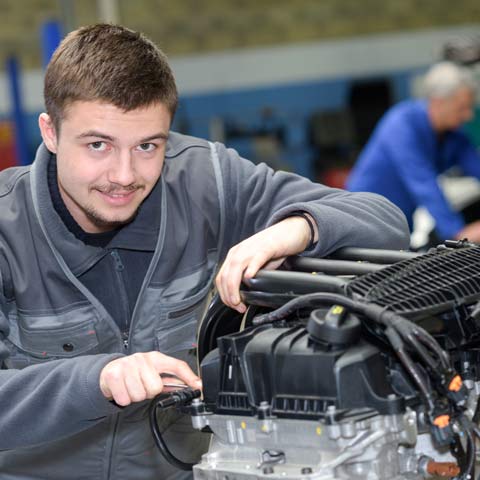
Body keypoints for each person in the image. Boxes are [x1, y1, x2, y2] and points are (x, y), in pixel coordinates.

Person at [0, 24, 408, 480]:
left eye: (147, 146)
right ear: (50, 133)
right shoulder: (6, 227)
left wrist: (294, 230)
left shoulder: (204, 182)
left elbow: (384, 220)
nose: (123, 174)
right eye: (98, 145)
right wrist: (94, 380)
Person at [346, 61, 480, 243]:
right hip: (364, 219)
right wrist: (456, 233)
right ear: (438, 102)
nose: (468, 115)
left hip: (401, 220)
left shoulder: (454, 135)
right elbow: (424, 184)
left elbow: (475, 165)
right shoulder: (401, 124)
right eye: (462, 108)